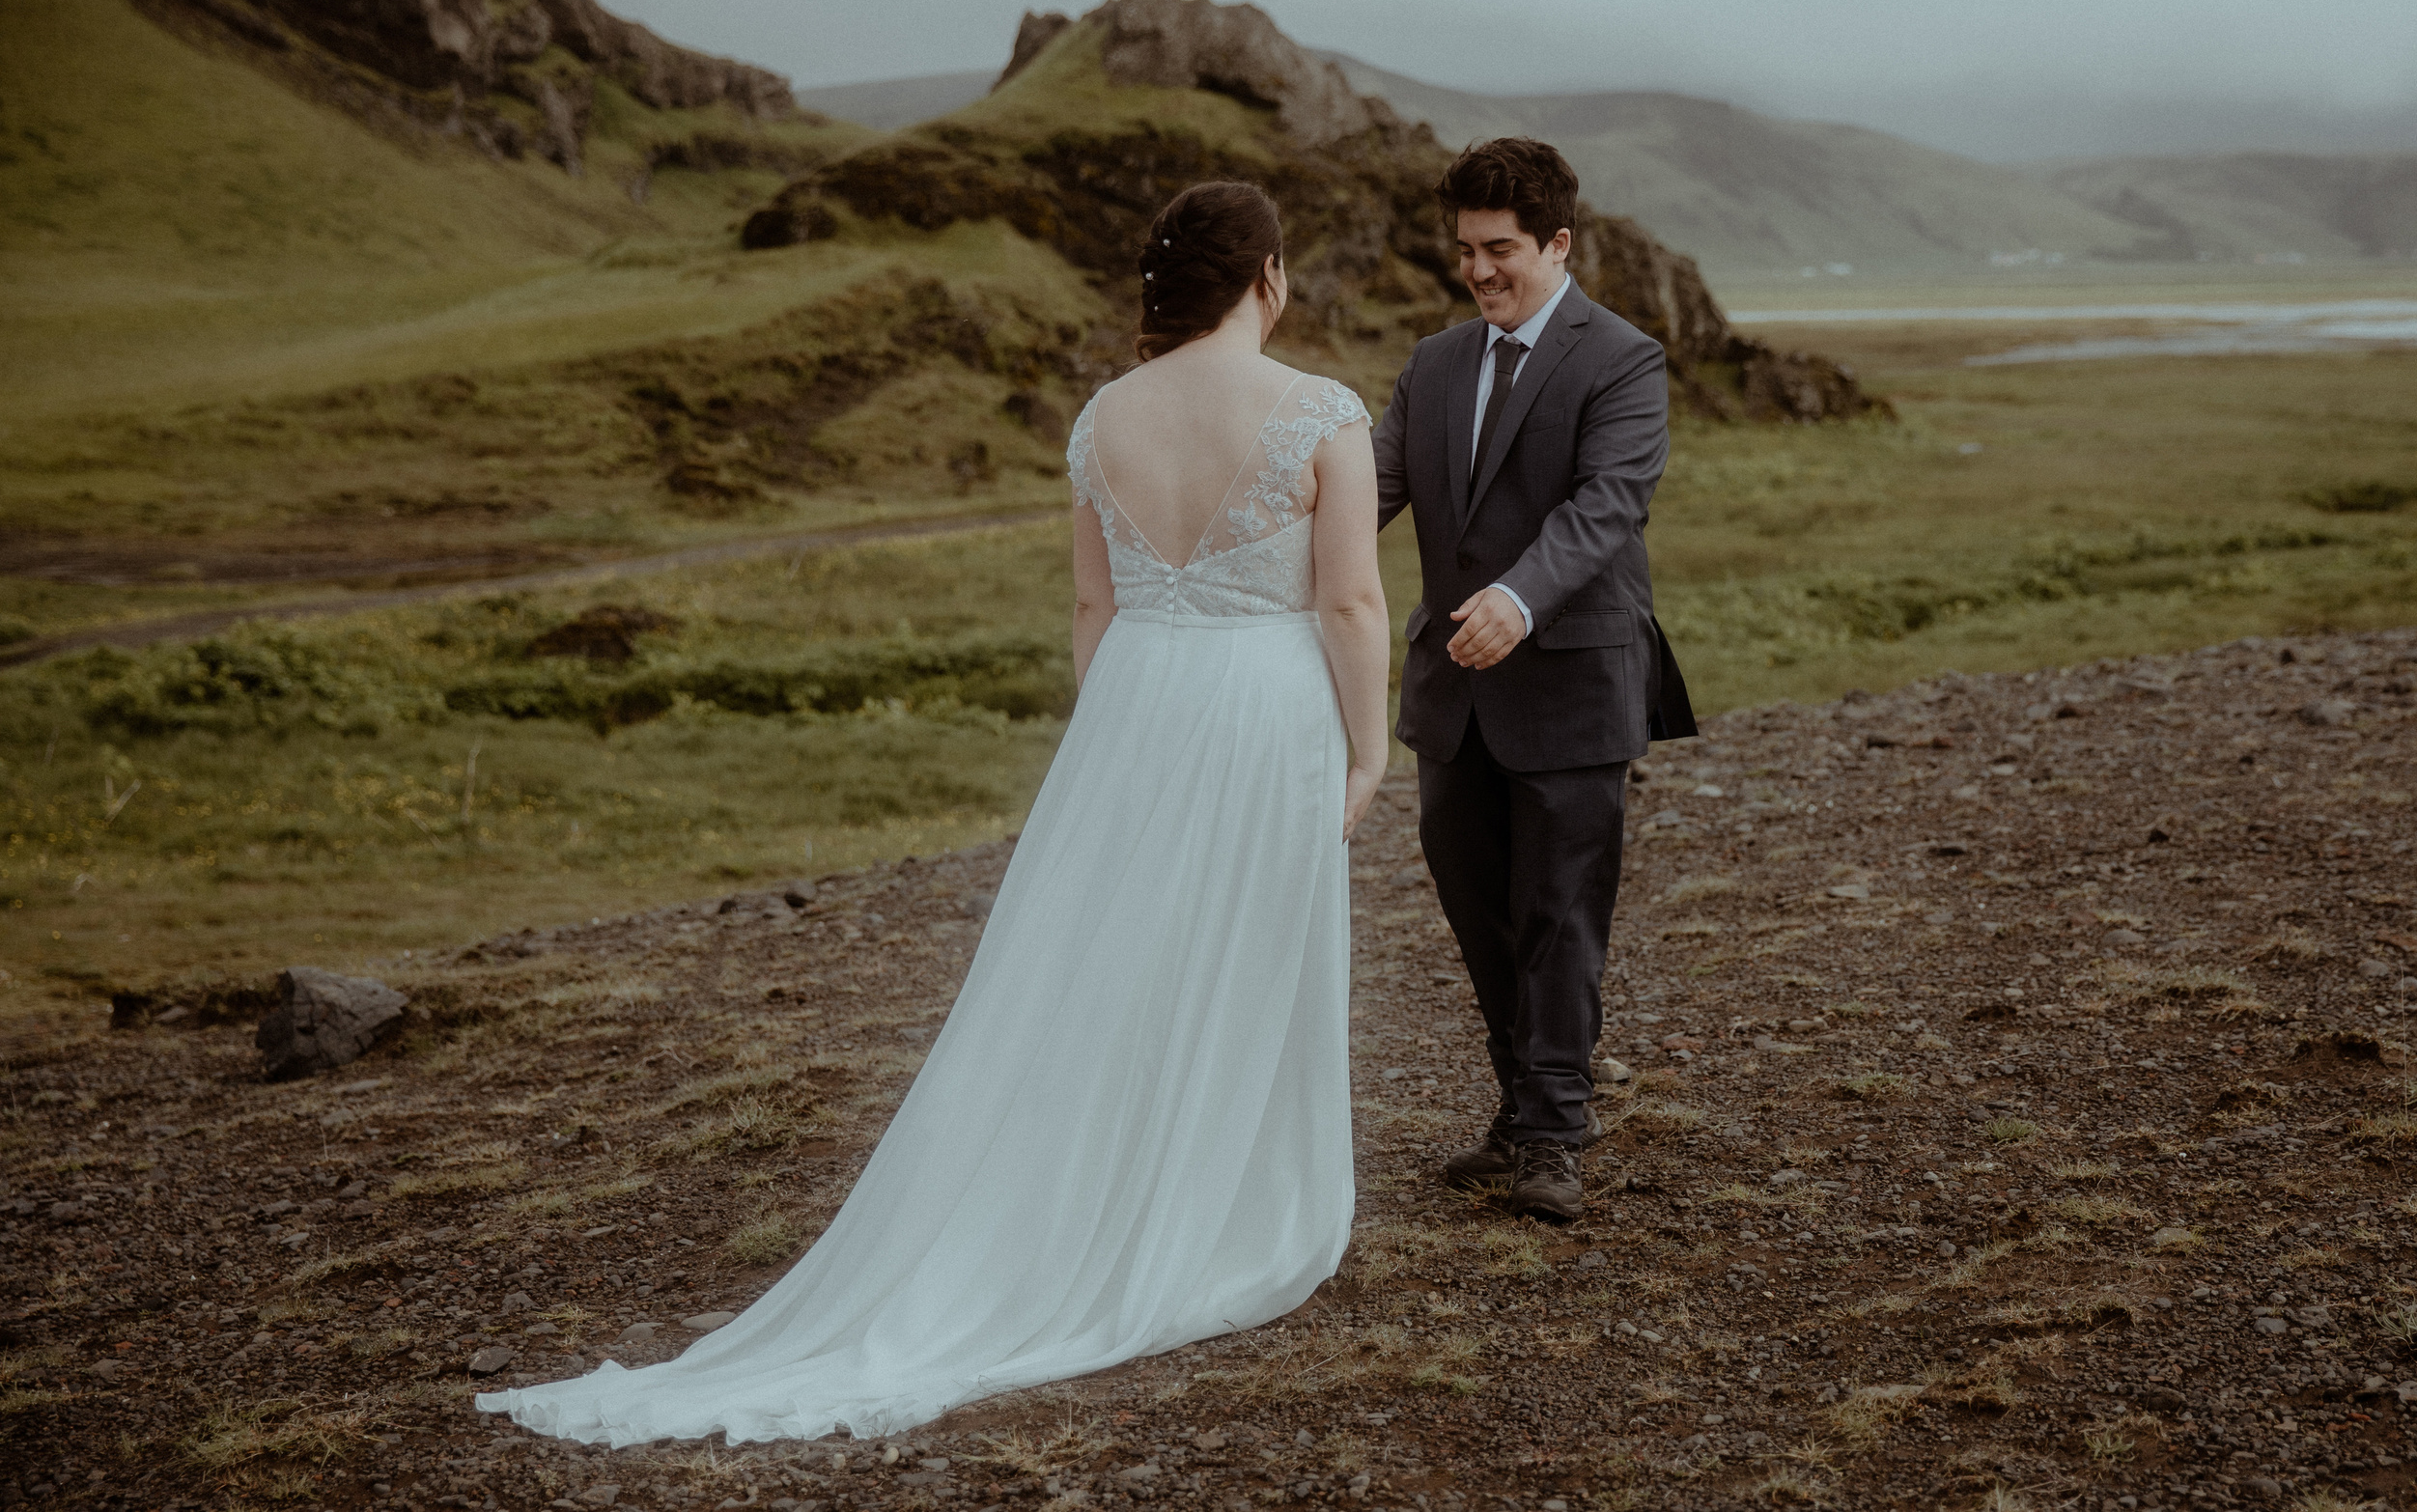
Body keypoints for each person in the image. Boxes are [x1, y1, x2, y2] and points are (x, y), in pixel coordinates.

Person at [475, 181, 1389, 1444]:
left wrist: (1122, 728)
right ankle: (1220, 1210)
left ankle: (1087, 1193)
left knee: (1101, 965)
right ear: (1270, 279)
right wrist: (1371, 743)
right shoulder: (1323, 411)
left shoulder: (1100, 420)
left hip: (1134, 703)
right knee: (1244, 947)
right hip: (1263, 706)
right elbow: (1348, 603)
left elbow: (1091, 610)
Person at [1373, 137, 1697, 1224]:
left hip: (1568, 682)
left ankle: (1555, 1132)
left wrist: (1518, 598)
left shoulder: (1622, 359)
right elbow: (1366, 492)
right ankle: (1520, 1106)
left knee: (1559, 916)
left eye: (1500, 249)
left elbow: (1607, 505)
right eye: (1464, 249)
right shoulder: (1431, 365)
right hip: (1451, 702)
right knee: (1482, 918)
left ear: (1559, 243)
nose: (1478, 270)